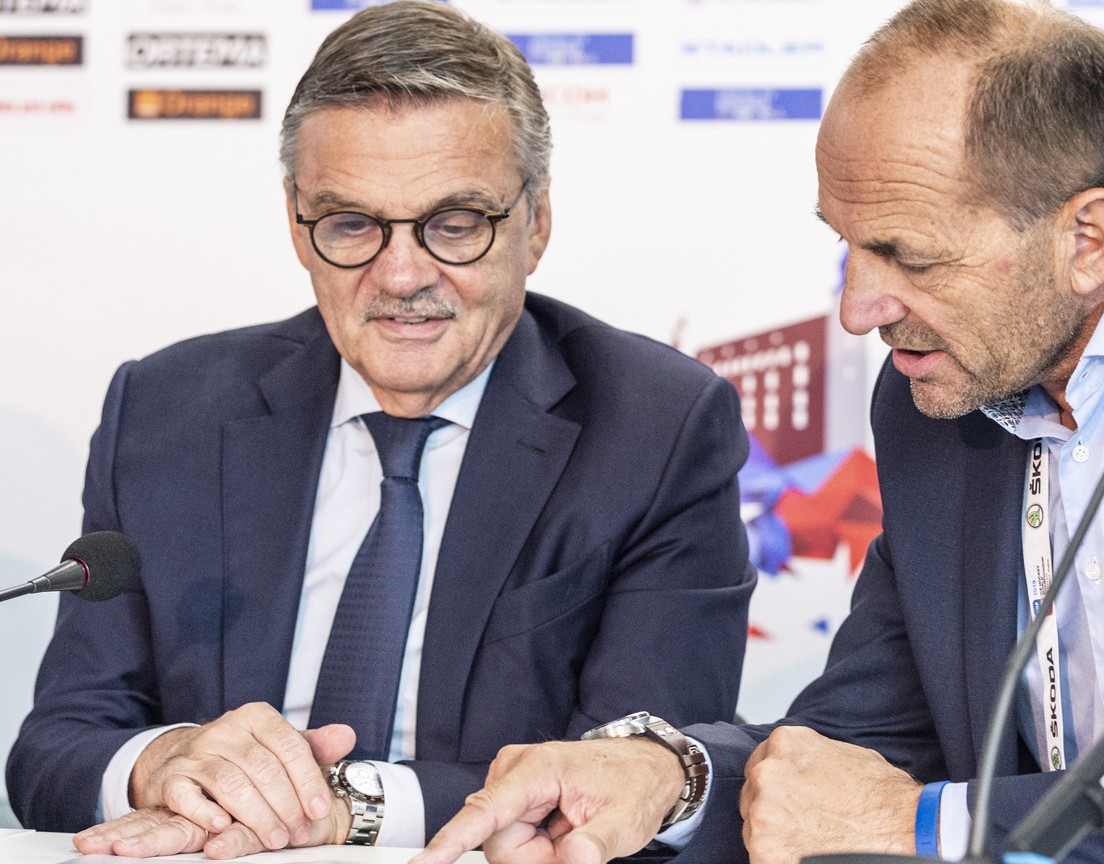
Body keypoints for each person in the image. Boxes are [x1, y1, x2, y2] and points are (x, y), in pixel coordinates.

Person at [410, 1, 1104, 863]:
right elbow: (859, 748)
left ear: (1089, 238)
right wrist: (670, 777)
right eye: (847, 246)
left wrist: (933, 827)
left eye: (908, 254)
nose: (858, 306)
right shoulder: (939, 386)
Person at [4, 1, 755, 858]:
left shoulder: (656, 426)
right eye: (352, 224)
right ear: (297, 223)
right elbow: (54, 752)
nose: (400, 276)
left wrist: (346, 807)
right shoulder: (168, 408)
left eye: (456, 223)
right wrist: (159, 763)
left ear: (535, 223)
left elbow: (628, 785)